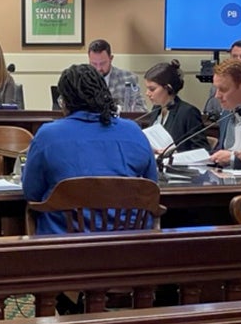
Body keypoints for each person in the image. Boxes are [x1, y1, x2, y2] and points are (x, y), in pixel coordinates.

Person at [22, 64, 157, 235]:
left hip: (63, 249)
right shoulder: (134, 131)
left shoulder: (47, 136)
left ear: (65, 102)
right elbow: (152, 185)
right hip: (128, 245)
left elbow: (31, 193)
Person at [144, 59, 210, 152]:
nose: (147, 93)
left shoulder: (188, 112)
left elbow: (202, 150)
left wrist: (174, 153)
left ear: (168, 88)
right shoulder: (156, 109)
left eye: (152, 89)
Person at [88, 39, 147, 112]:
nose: (98, 68)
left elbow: (142, 109)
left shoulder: (129, 78)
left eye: (102, 63)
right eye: (94, 64)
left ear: (111, 58)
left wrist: (118, 109)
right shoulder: (82, 80)